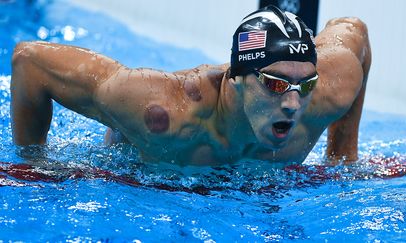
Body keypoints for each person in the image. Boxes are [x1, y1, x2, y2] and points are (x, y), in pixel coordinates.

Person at [10, 6, 371, 165]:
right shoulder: (162, 112)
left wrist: (342, 157)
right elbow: (29, 61)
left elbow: (355, 31)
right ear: (238, 80)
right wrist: (34, 161)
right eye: (276, 85)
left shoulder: (331, 89)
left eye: (303, 85)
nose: (293, 103)